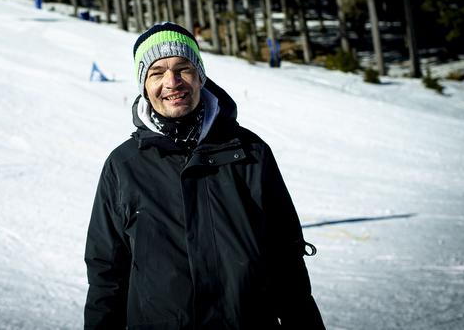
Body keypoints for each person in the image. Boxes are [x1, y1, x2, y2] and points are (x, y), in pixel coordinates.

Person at [84, 22, 325, 329]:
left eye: (182, 68)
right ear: (144, 85)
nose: (172, 82)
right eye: (157, 72)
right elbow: (106, 275)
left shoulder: (250, 153)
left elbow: (286, 262)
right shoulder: (123, 166)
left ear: (200, 76)